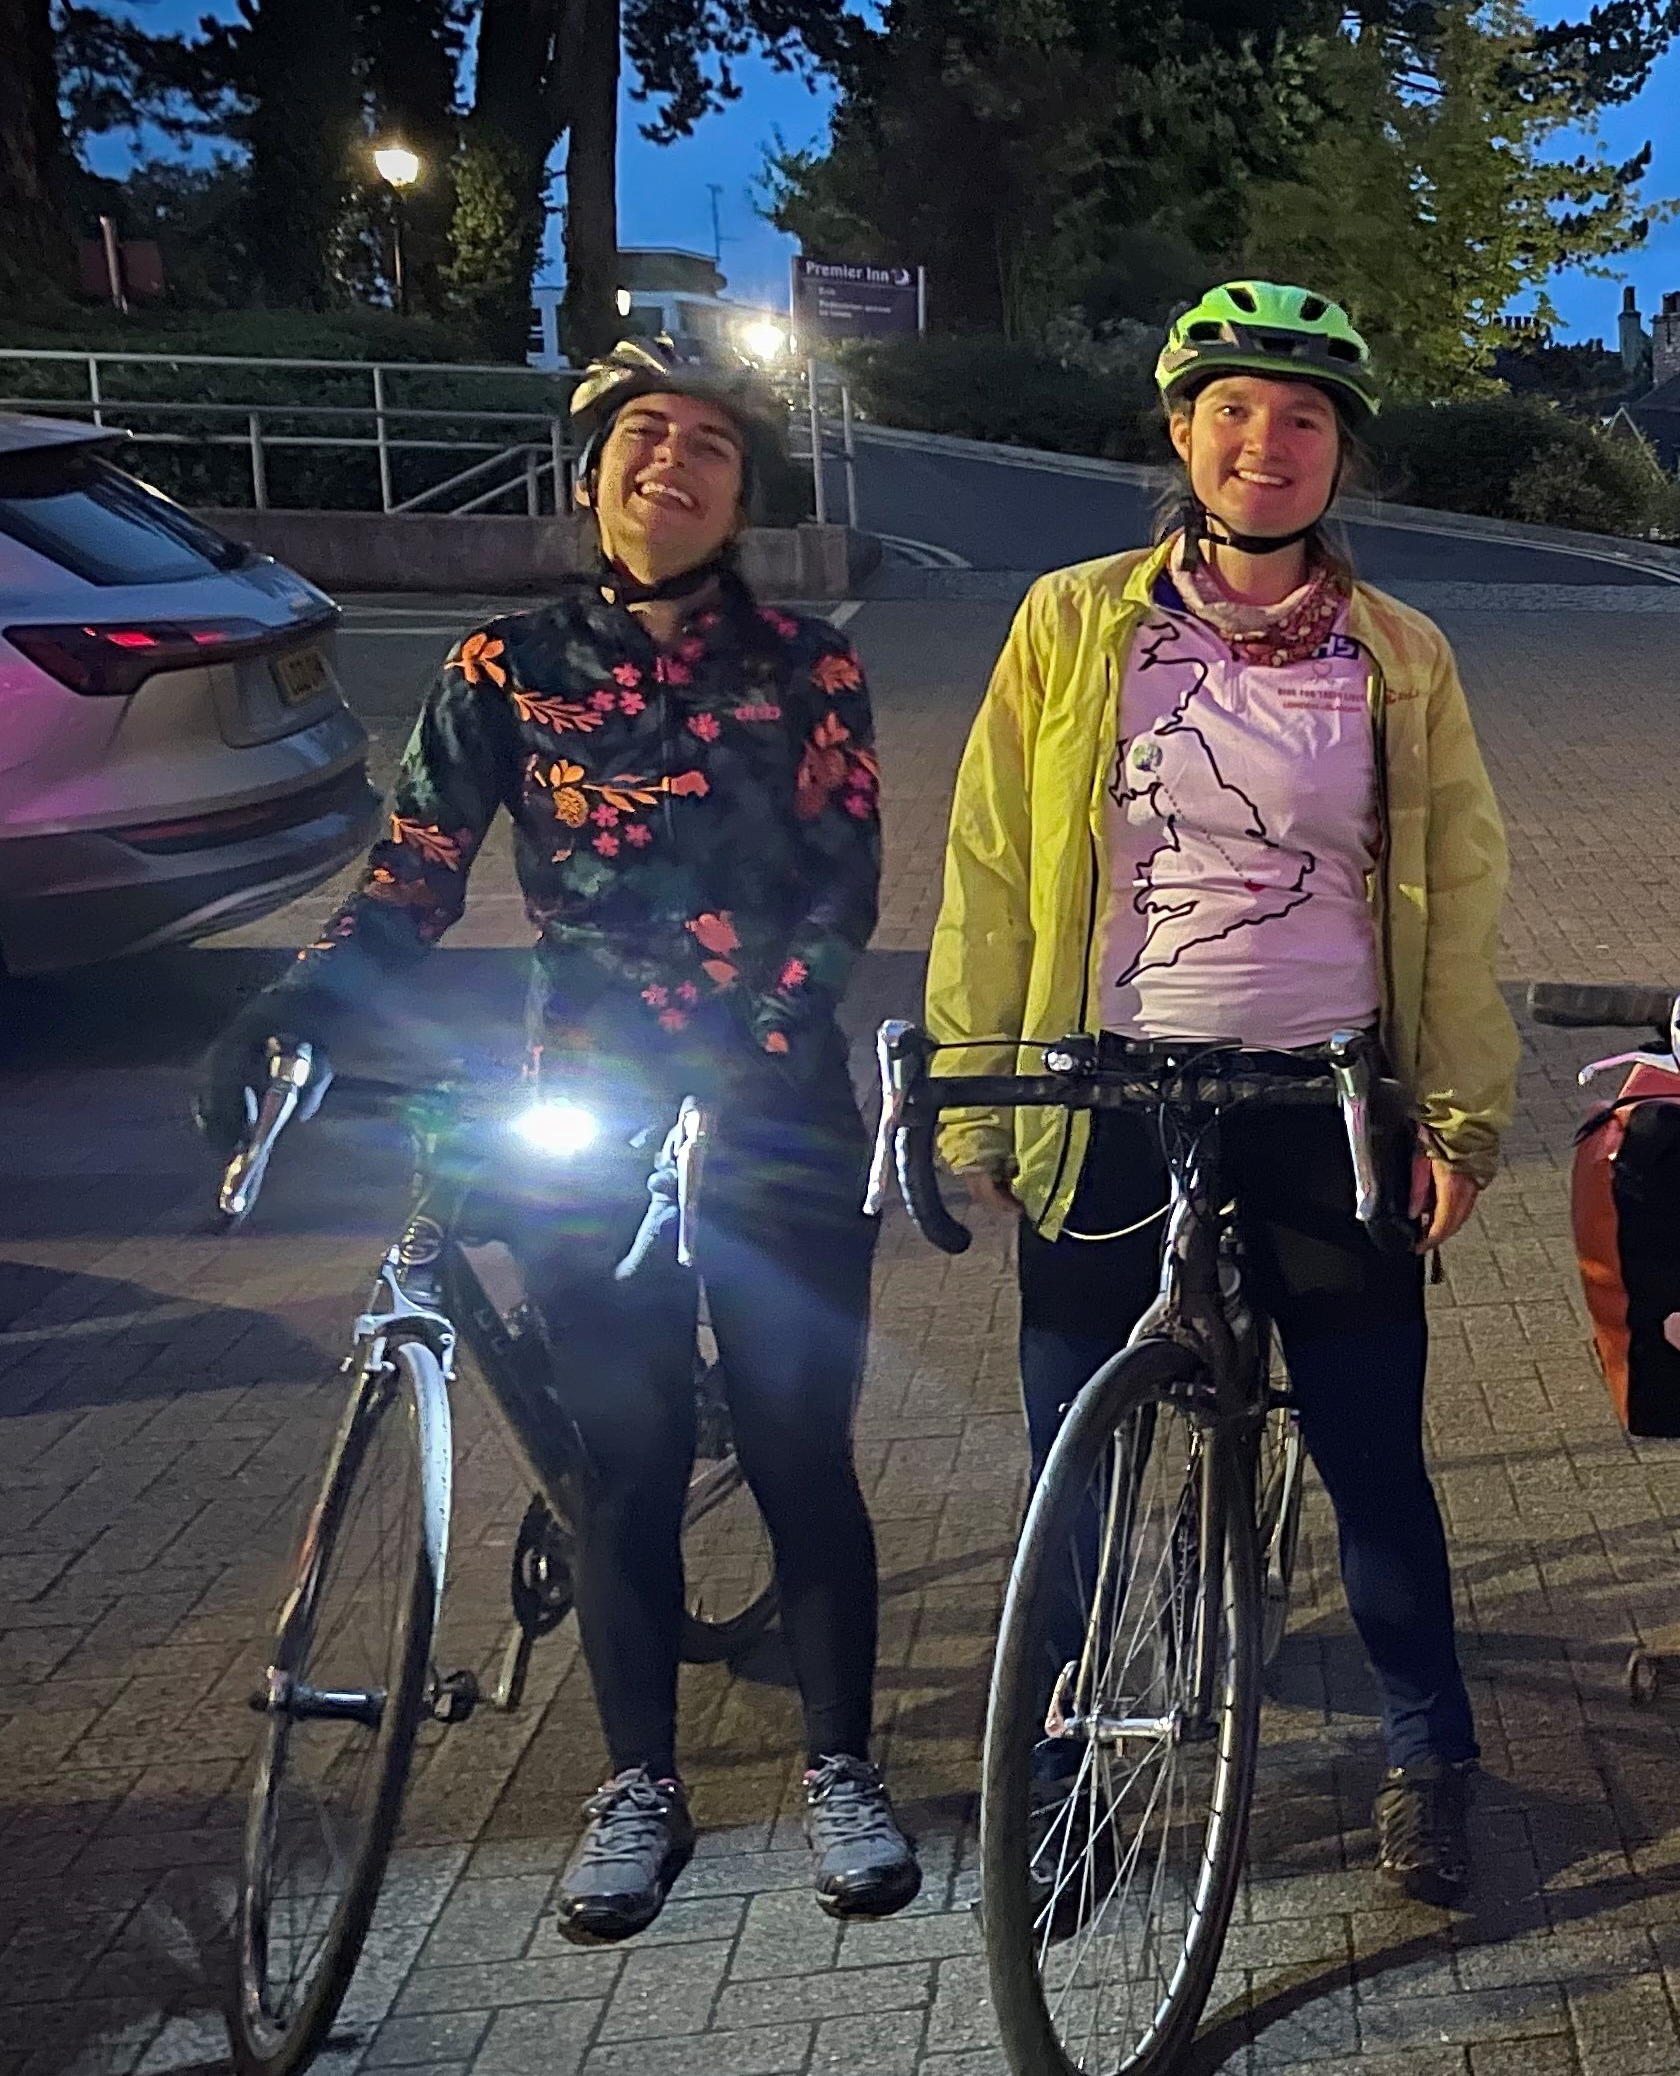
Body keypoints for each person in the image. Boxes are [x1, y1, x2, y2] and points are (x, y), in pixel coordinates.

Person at [196, 342, 908, 1942]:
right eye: (645, 436)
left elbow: (839, 886)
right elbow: (414, 872)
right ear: (591, 475)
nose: (675, 462)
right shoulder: (503, 667)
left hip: (772, 1115)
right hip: (586, 1101)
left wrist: (757, 1043)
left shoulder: (807, 664)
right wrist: (303, 1007)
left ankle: (842, 1768)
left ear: (744, 495)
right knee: (626, 1462)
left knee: (798, 1450)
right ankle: (638, 1782)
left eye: (712, 445)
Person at [926, 280, 1516, 1910]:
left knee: (1370, 1448)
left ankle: (1429, 1754)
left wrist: (1458, 1117)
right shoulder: (1071, 624)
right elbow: (989, 865)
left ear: (1342, 453)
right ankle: (1061, 1770)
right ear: (1182, 434)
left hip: (1320, 1096)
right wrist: (977, 1094)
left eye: (1304, 416)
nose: (1269, 442)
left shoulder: (1401, 655)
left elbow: (1457, 893)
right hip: (1110, 1087)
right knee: (1073, 1459)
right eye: (1235, 411)